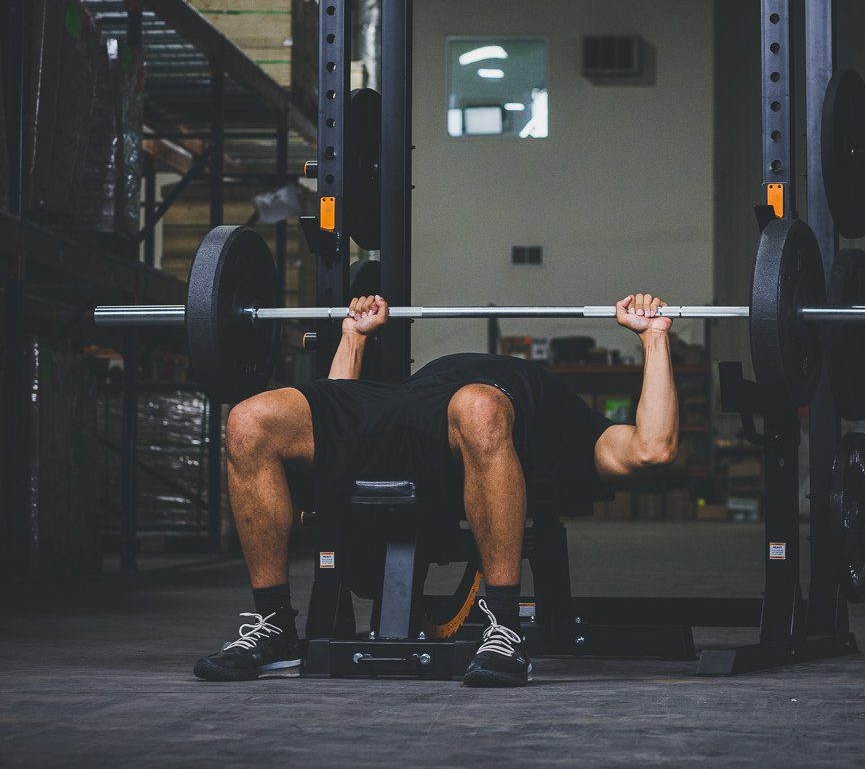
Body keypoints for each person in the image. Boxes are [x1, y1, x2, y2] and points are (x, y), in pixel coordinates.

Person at [193, 292, 678, 687]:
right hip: (407, 406)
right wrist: (352, 339)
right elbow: (333, 420)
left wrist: (654, 340)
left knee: (478, 407)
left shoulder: (575, 430)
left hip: (472, 416)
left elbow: (652, 449)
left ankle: (504, 628)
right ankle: (274, 626)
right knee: (249, 421)